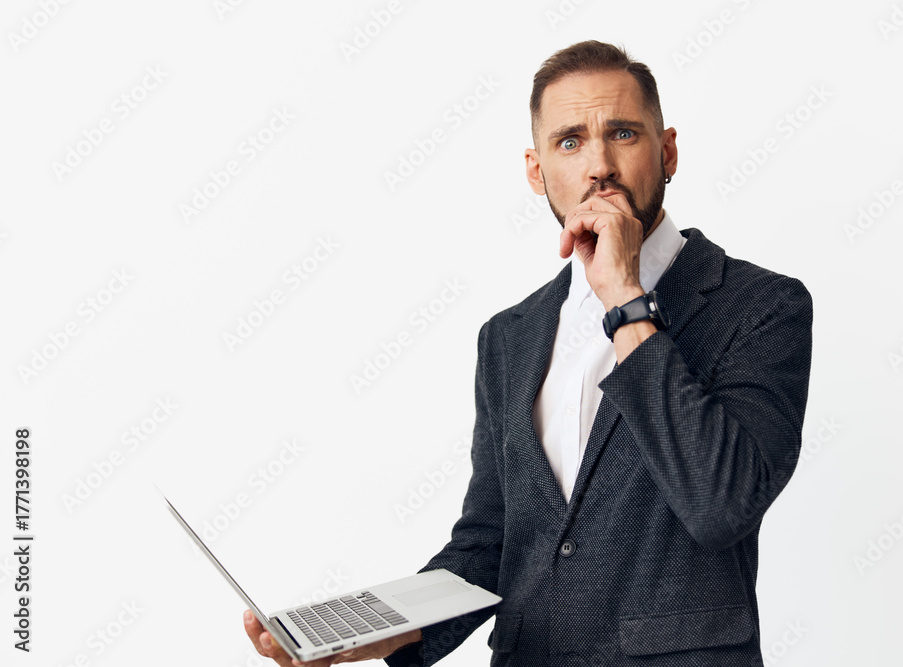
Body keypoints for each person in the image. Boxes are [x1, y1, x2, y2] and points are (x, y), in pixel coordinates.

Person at [247, 39, 813, 666]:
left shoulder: (762, 306)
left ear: (668, 151)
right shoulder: (508, 337)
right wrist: (379, 632)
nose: (599, 165)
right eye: (570, 141)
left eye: (623, 133)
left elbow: (721, 503)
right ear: (536, 171)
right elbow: (489, 543)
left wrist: (625, 298)